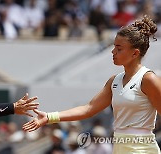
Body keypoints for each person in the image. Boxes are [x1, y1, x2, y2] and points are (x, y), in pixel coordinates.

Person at [22, 15, 161, 153]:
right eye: (114, 47)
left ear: (135, 53)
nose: (113, 52)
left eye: (119, 48)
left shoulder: (148, 79)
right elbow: (88, 109)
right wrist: (49, 117)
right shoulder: (114, 81)